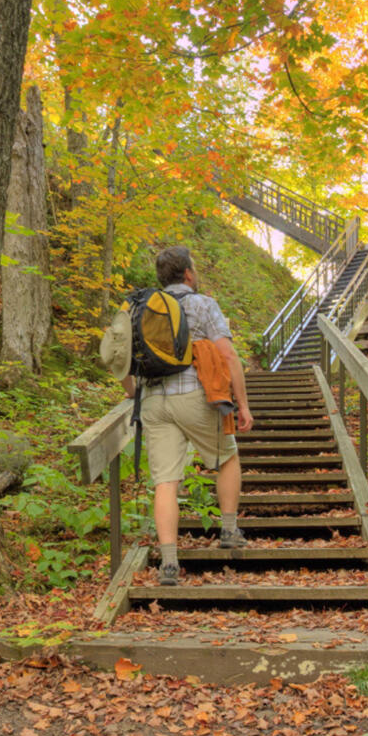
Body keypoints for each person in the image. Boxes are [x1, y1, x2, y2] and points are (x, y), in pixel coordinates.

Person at [122, 245, 254, 585]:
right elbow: (227, 355)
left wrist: (133, 393)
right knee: (226, 457)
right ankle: (228, 530)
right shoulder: (202, 303)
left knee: (165, 481)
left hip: (152, 400)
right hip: (194, 395)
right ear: (189, 274)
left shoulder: (140, 307)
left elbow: (118, 357)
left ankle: (168, 563)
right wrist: (243, 404)